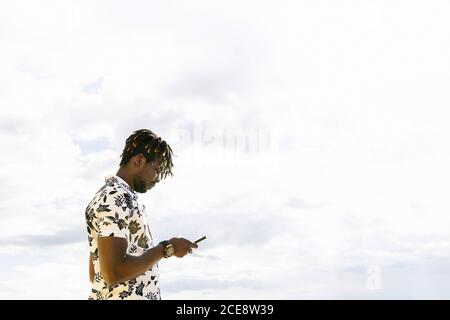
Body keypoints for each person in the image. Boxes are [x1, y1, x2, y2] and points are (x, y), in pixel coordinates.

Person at [85, 129, 198, 300]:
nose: (158, 178)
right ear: (139, 161)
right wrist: (167, 248)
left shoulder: (119, 197)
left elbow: (97, 274)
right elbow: (113, 272)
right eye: (157, 169)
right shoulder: (115, 197)